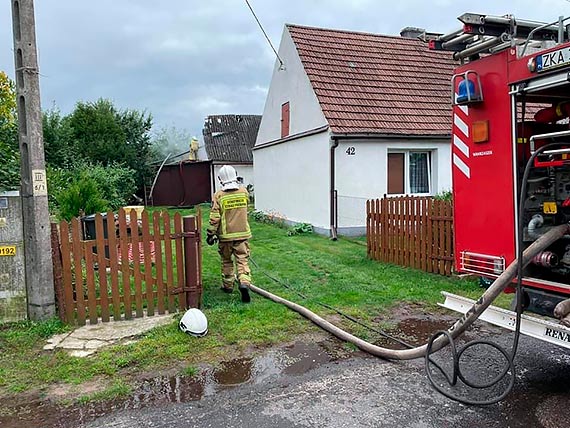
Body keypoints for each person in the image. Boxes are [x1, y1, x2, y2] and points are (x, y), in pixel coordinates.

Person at [206, 165, 252, 303]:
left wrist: (210, 234)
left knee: (227, 261)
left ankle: (228, 286)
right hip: (243, 235)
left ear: (221, 179)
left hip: (225, 237)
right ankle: (244, 282)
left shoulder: (219, 195)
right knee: (242, 260)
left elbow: (215, 217)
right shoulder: (244, 192)